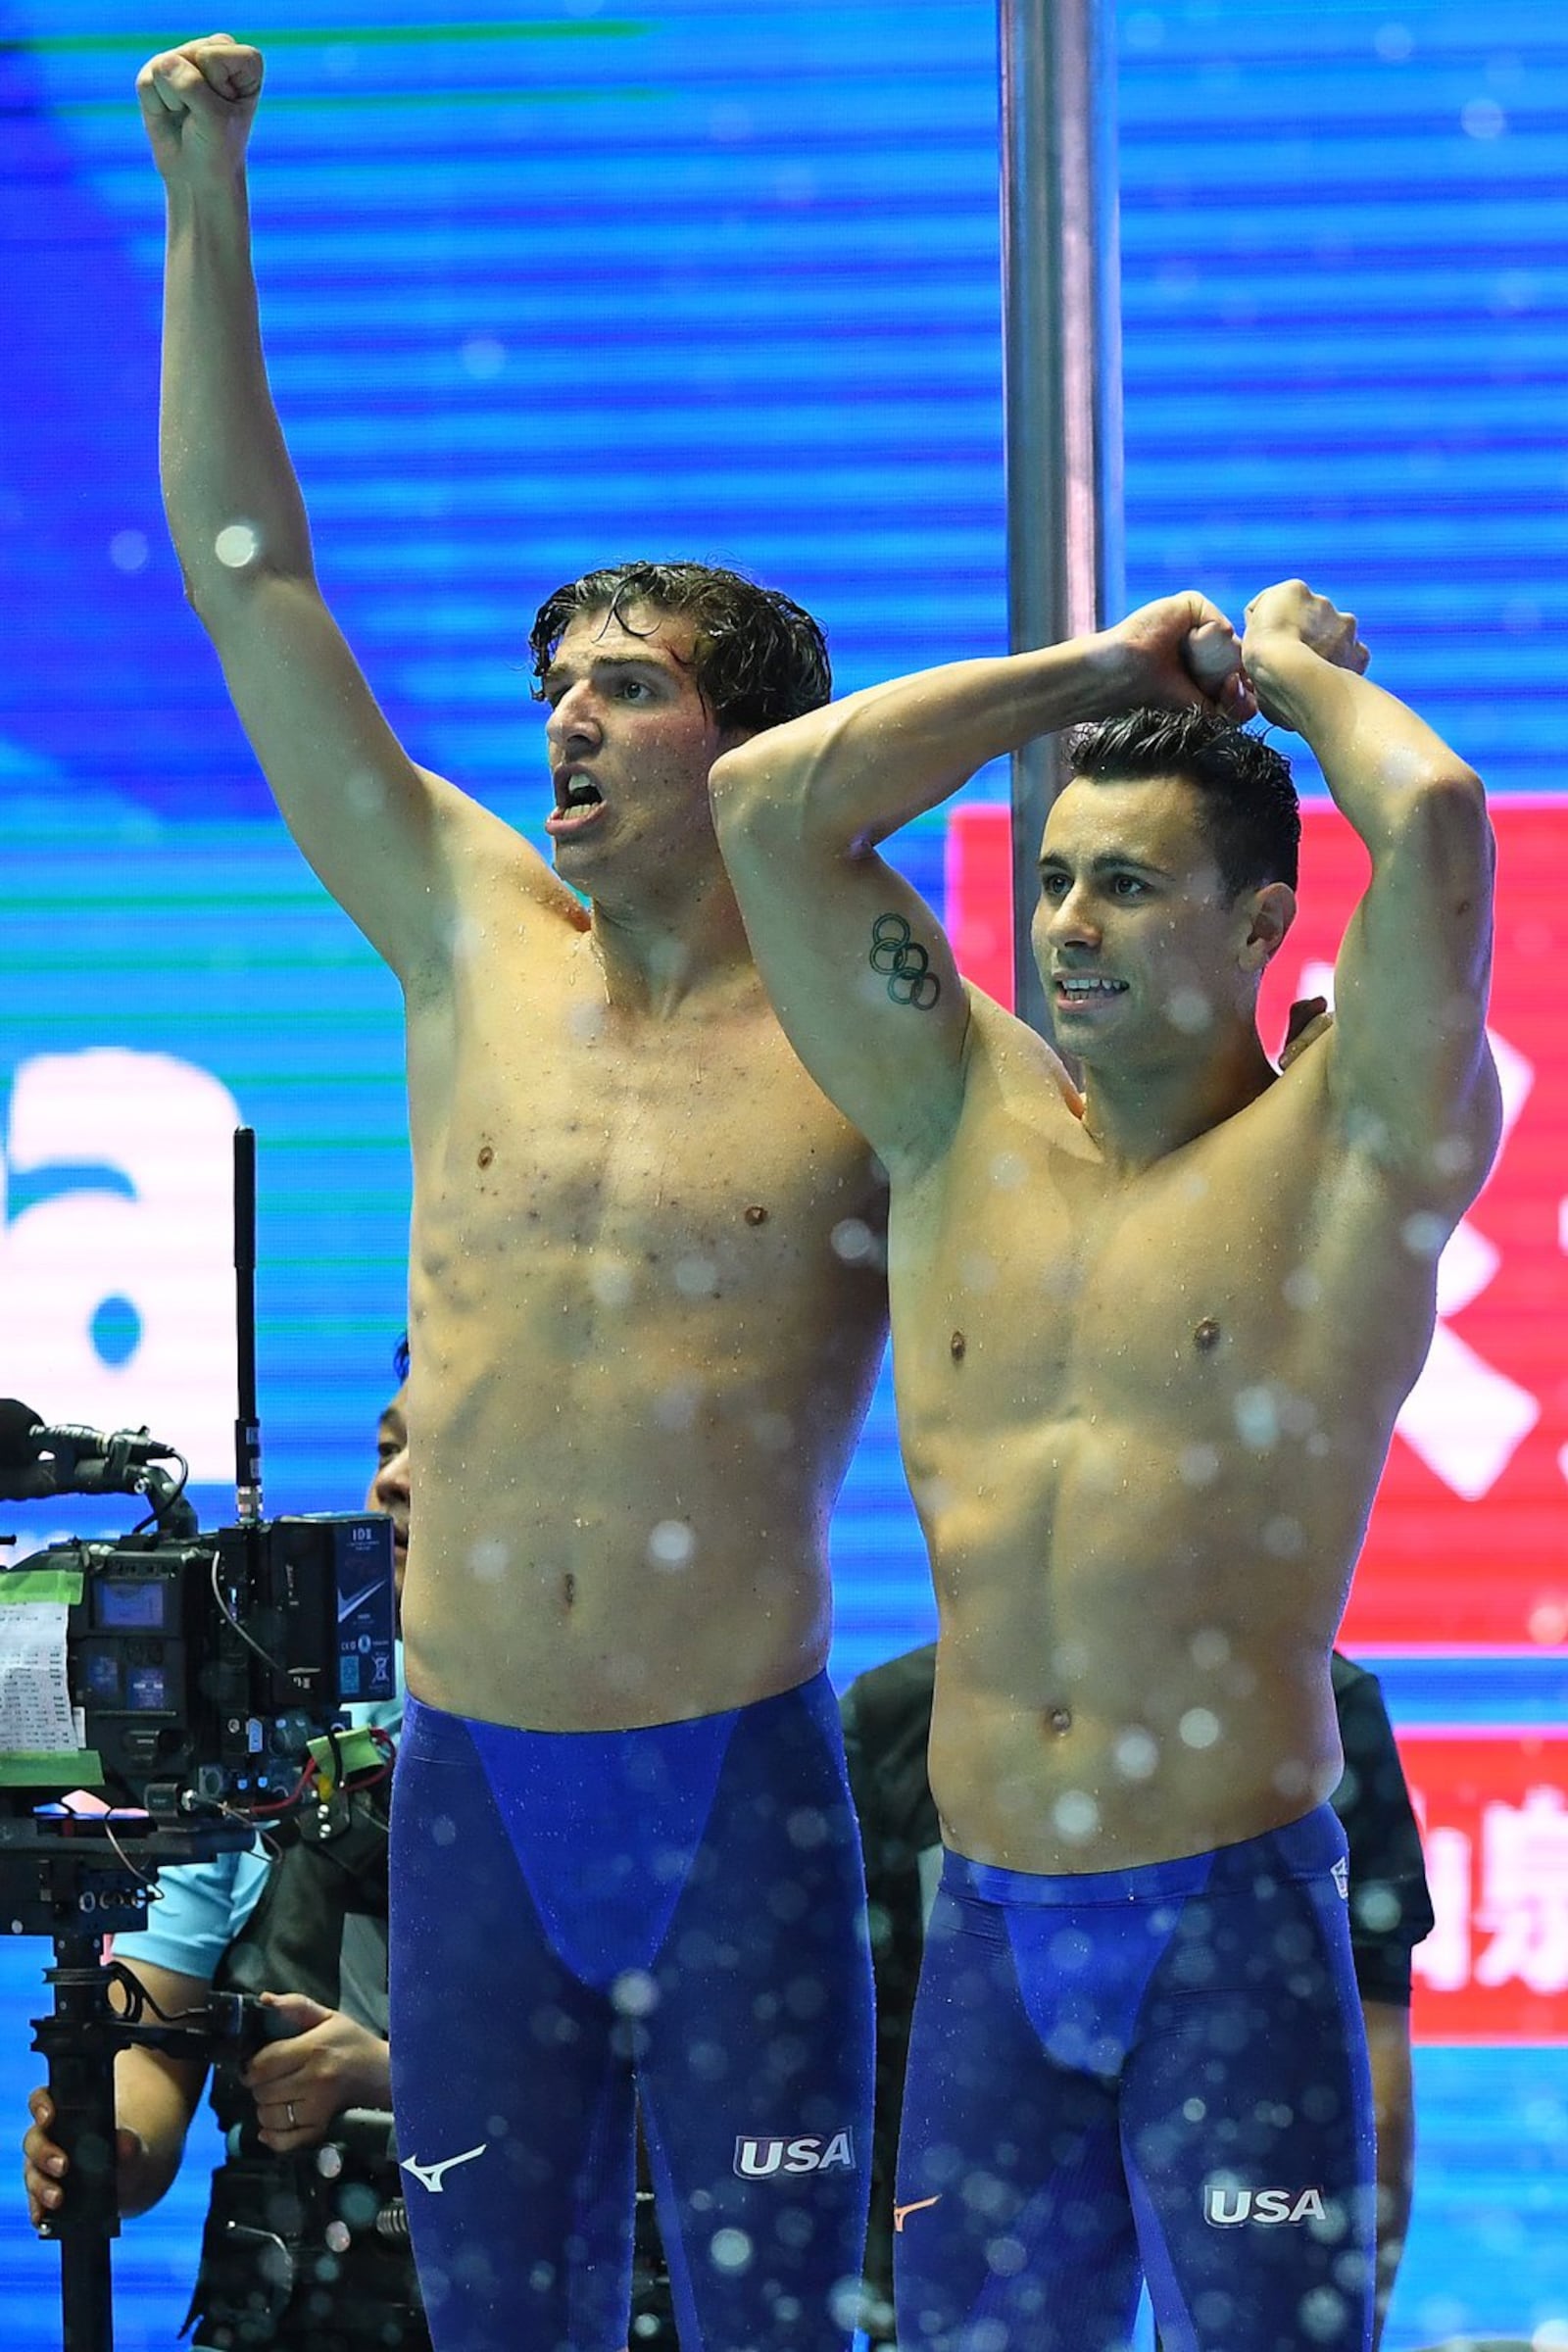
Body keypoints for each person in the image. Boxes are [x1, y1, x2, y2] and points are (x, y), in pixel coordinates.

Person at [135, 35, 884, 2352]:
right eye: (552, 680)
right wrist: (206, 196)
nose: (562, 719)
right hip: (466, 1775)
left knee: (767, 2324)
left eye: (628, 684)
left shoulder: (879, 1033)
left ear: (745, 748)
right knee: (497, 2315)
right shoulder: (472, 936)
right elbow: (256, 593)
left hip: (735, 1780)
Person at [710, 580, 1500, 2352]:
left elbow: (1436, 819)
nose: (1069, 926)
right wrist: (1089, 674)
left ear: (1261, 925)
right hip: (989, 1930)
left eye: (1128, 885)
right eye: (1054, 879)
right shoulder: (951, 1116)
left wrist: (1286, 681)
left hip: (1234, 1923)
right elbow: (766, 804)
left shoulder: (1356, 1148)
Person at [841, 1641, 1436, 2352]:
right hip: (987, 2112)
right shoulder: (899, 1716)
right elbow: (848, 2029)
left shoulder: (1311, 1700)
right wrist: (887, 2292)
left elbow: (1376, 2039)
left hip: (1233, 2037)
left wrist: (1360, 2303)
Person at [22, 1363, 420, 2352]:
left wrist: (392, 2080)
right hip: (302, 2297)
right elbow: (160, 2034)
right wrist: (114, 2142)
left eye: (444, 1452)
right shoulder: (262, 1736)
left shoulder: (620, 1740)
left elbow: (658, 2071)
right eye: (385, 1448)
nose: (396, 1481)